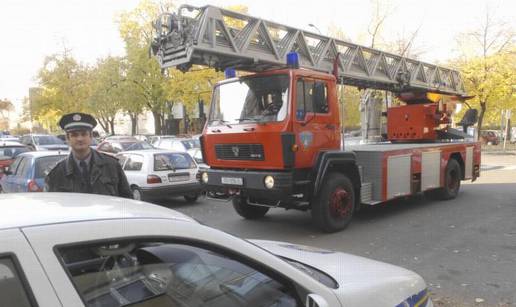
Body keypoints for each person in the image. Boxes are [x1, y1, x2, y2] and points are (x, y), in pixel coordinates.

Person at [45, 112, 132, 198]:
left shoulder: (112, 166)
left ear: (91, 136)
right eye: (74, 135)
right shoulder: (57, 173)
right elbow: (52, 208)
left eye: (84, 134)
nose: (80, 139)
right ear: (67, 138)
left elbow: (127, 202)